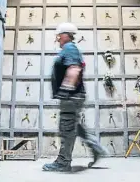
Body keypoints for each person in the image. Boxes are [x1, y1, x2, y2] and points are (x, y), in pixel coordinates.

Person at [43, 22, 108, 172]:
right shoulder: (70, 48)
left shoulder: (69, 48)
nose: (58, 39)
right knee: (74, 127)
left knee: (66, 129)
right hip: (75, 96)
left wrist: (65, 91)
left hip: (71, 96)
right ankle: (96, 148)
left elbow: (74, 69)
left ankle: (63, 162)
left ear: (66, 35)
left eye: (59, 36)